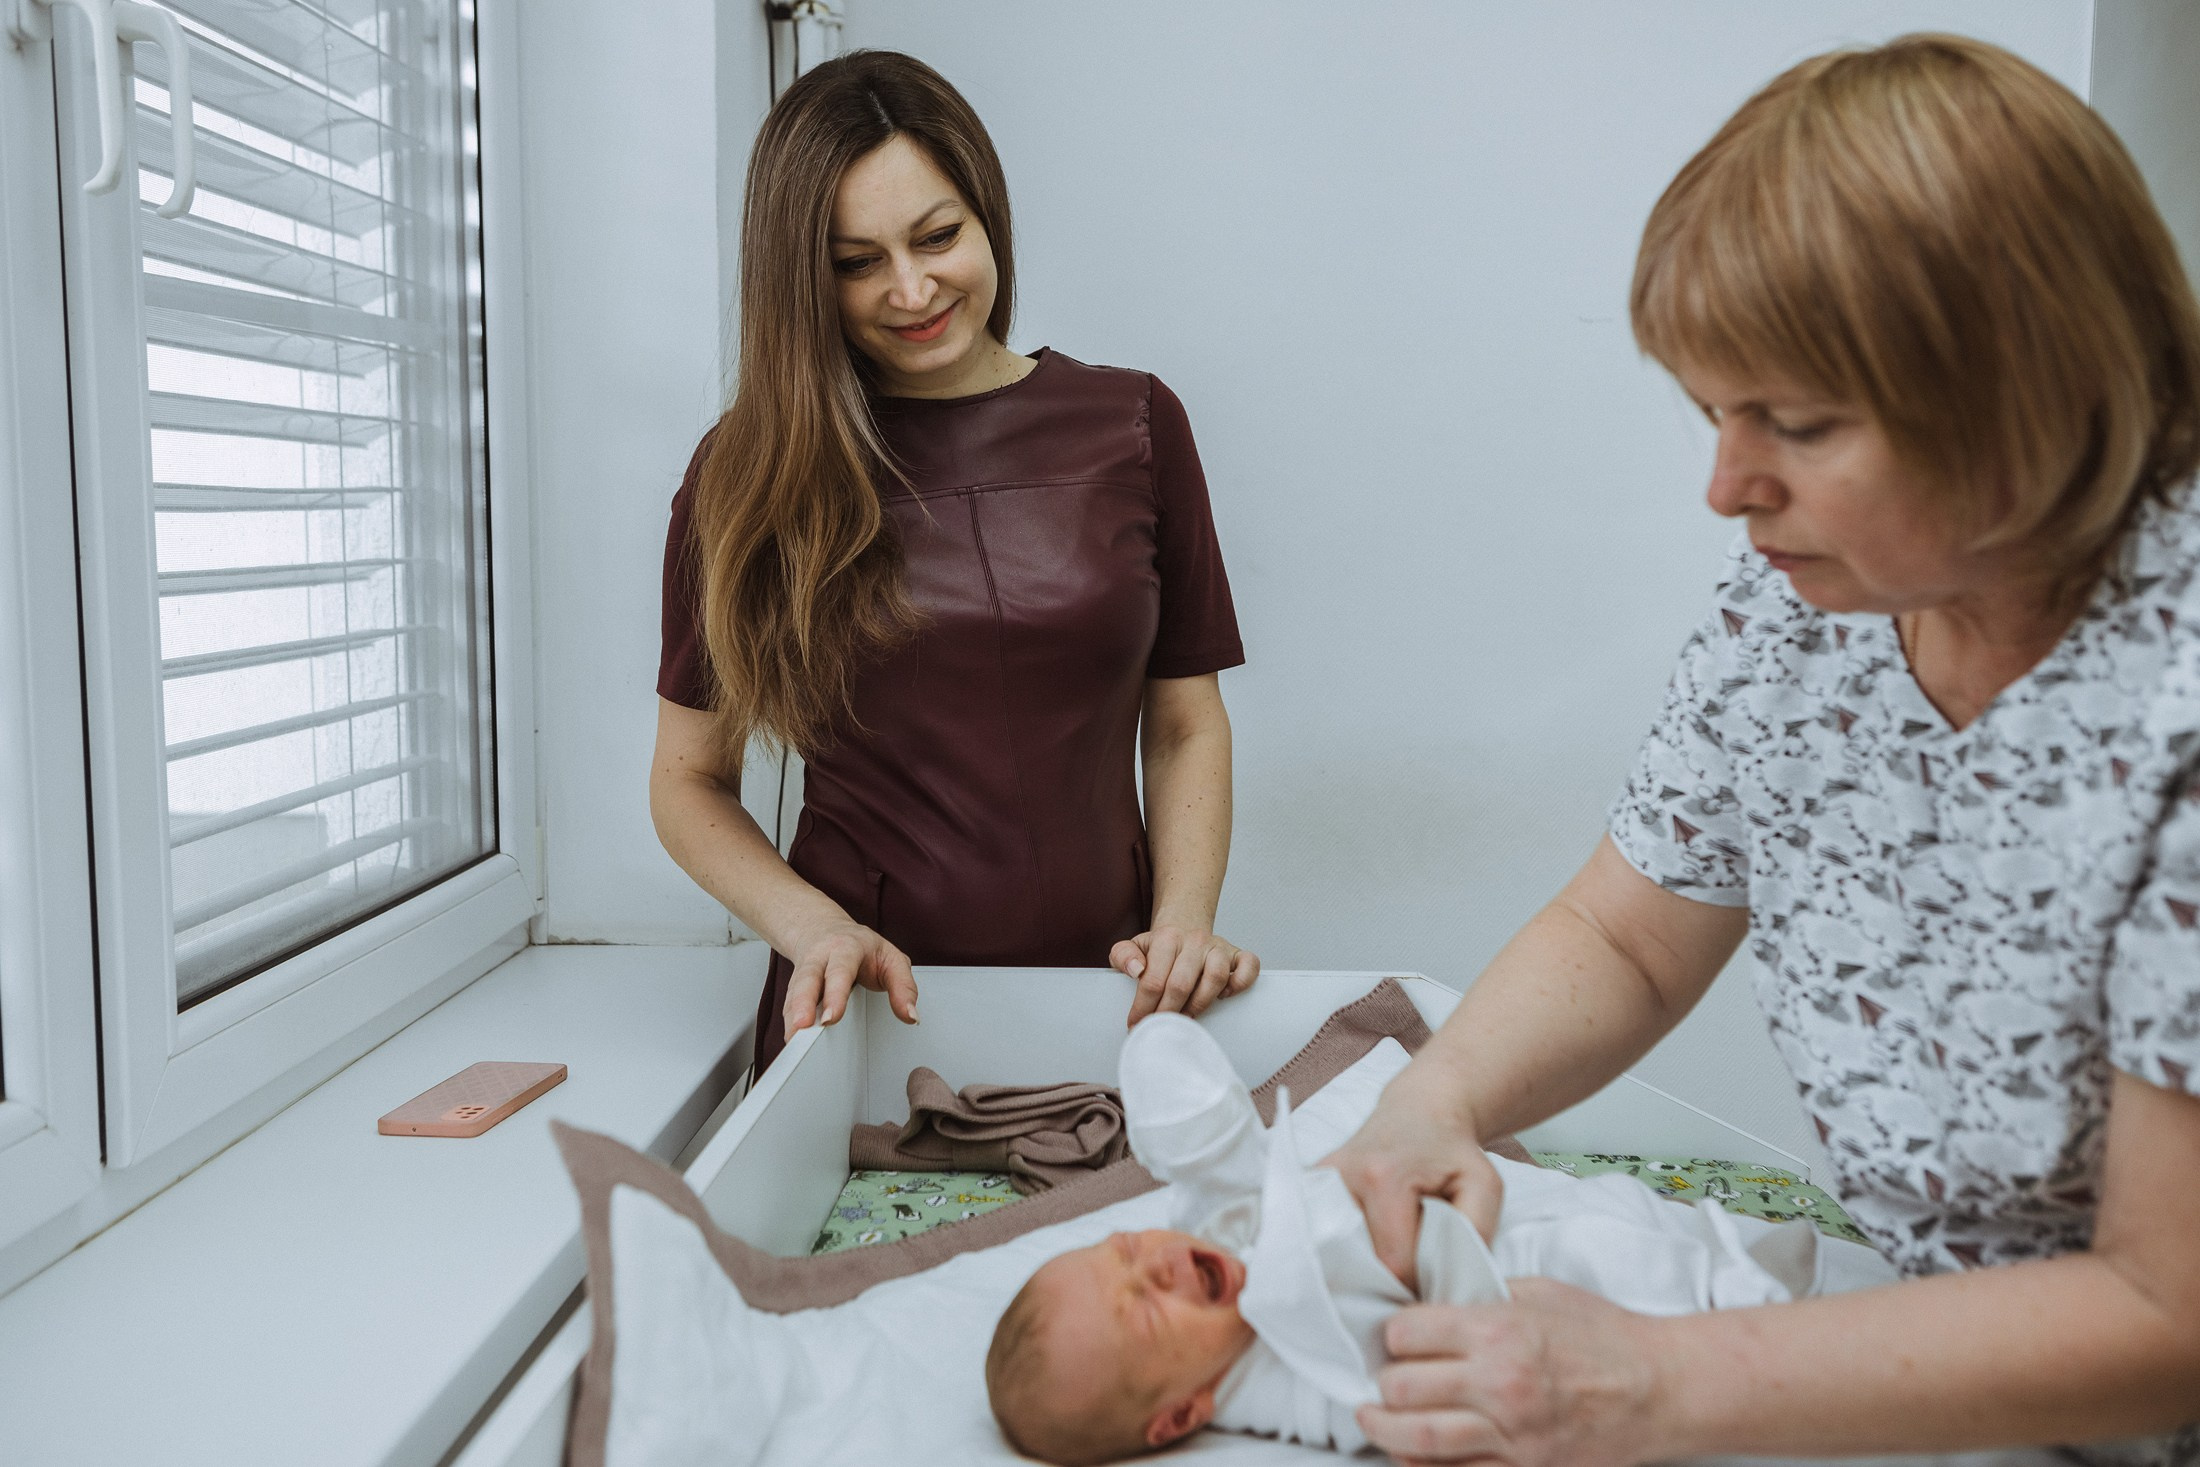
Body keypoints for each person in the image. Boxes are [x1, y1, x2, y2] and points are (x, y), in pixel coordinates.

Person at [1325, 33, 2200, 1467]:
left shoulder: (2174, 701)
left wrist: (1654, 1383)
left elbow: (2171, 1312)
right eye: (1713, 413)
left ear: (2026, 394)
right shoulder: (1806, 612)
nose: (1727, 487)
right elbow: (1628, 934)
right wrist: (1434, 1095)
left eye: (1794, 423)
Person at [649, 52, 1259, 1075]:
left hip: (1112, 997)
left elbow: (1186, 723)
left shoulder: (1138, 424)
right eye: (857, 262)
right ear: (803, 279)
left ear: (988, 218)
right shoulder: (747, 472)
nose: (912, 288)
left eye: (937, 237)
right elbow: (687, 781)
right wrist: (813, 927)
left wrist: (1183, 926)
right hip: (864, 1014)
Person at [984, 1014, 1854, 1464]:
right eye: (1145, 1310)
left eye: (1125, 1251)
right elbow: (1381, 1412)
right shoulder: (1269, 1388)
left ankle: (1716, 1251)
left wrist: (1187, 1108)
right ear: (1182, 1412)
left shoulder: (1207, 1235)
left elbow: (1225, 1169)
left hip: (1461, 1222)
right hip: (1497, 1298)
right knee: (1602, 1262)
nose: (1157, 1266)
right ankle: (1734, 1293)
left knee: (1612, 1204)